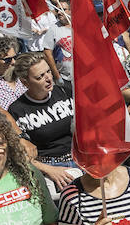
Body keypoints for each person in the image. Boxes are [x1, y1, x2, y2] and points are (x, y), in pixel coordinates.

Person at [7, 53, 79, 194]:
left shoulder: (65, 92)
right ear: (25, 82)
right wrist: (49, 170)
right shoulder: (17, 110)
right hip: (48, 168)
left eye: (48, 72)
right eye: (40, 77)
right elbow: (17, 154)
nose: (48, 78)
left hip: (79, 159)